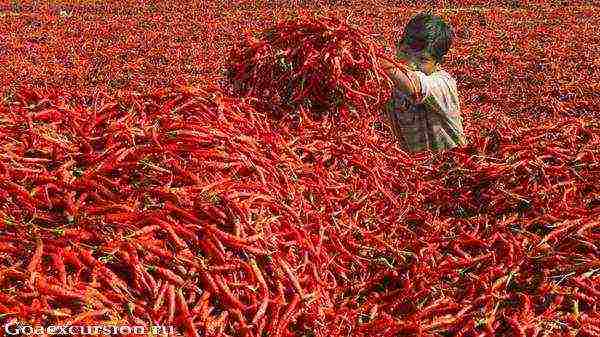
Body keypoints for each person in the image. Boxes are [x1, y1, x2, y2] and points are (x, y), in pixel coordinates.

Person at [380, 13, 467, 152]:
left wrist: (371, 56)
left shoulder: (443, 83)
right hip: (418, 167)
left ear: (438, 62)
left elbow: (414, 87)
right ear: (397, 47)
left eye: (422, 60)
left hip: (454, 165)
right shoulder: (393, 85)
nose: (410, 64)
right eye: (405, 53)